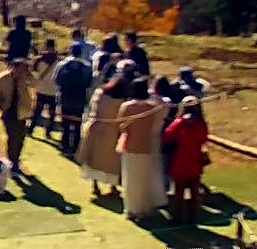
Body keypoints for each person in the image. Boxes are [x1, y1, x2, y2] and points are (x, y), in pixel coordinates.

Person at [116, 78, 167, 220]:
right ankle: (144, 208)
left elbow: (121, 126)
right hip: (146, 146)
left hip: (129, 147)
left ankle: (132, 209)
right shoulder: (152, 107)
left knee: (130, 180)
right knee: (143, 179)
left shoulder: (126, 106)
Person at [77, 74, 127, 197]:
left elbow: (93, 109)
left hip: (97, 129)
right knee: (112, 161)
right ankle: (113, 186)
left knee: (94, 157)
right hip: (113, 132)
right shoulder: (122, 101)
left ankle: (95, 185)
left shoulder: (100, 93)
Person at [164, 97, 210, 225]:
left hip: (181, 158)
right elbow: (204, 137)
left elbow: (168, 135)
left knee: (179, 191)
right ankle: (193, 217)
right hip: (195, 158)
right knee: (195, 192)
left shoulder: (180, 122)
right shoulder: (201, 123)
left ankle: (177, 217)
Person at [0, 59, 35, 174]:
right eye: (21, 68)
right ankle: (13, 163)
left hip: (21, 113)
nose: (22, 71)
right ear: (15, 67)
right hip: (8, 113)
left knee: (20, 139)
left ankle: (15, 160)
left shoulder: (25, 78)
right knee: (12, 139)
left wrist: (30, 73)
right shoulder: (3, 78)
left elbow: (35, 84)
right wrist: (2, 106)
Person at [55, 43, 93, 155]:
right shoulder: (87, 66)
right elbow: (89, 83)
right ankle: (75, 147)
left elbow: (56, 80)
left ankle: (65, 145)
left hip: (66, 97)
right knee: (77, 124)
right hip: (80, 98)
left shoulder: (63, 64)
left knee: (65, 123)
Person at [29, 38, 60, 138]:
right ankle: (48, 132)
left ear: (46, 46)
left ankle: (31, 129)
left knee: (37, 111)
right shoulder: (59, 61)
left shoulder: (38, 59)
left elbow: (32, 72)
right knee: (52, 113)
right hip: (53, 90)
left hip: (41, 89)